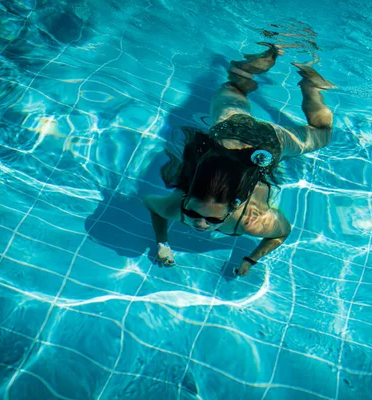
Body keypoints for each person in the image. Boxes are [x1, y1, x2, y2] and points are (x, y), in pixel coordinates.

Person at [144, 42, 336, 276]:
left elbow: (281, 232)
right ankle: (272, 52)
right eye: (194, 214)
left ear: (234, 206)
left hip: (268, 141)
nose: (201, 224)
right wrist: (162, 243)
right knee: (234, 86)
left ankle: (309, 86)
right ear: (189, 195)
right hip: (230, 127)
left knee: (323, 132)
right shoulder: (182, 205)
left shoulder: (249, 221)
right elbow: (153, 205)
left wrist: (251, 258)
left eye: (212, 219)